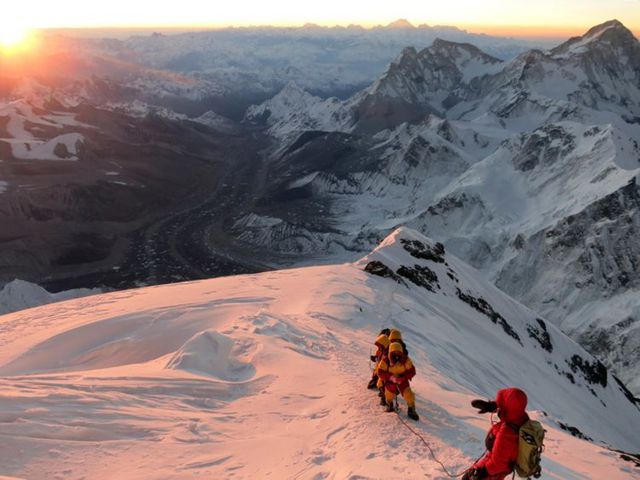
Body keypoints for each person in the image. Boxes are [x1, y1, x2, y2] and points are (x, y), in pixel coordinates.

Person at [462, 388, 529, 480]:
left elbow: (498, 464)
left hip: (491, 472)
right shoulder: (520, 418)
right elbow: (513, 406)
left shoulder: (507, 432)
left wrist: (481, 473)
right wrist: (493, 405)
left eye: (502, 402)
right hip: (495, 467)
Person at [377, 341, 419, 421]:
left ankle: (411, 409)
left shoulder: (405, 360)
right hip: (390, 382)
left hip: (402, 381)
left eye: (398, 352)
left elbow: (412, 371)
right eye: (394, 352)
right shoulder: (386, 361)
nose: (396, 354)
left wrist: (403, 377)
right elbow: (380, 372)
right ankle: (389, 404)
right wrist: (391, 377)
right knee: (389, 395)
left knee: (408, 394)